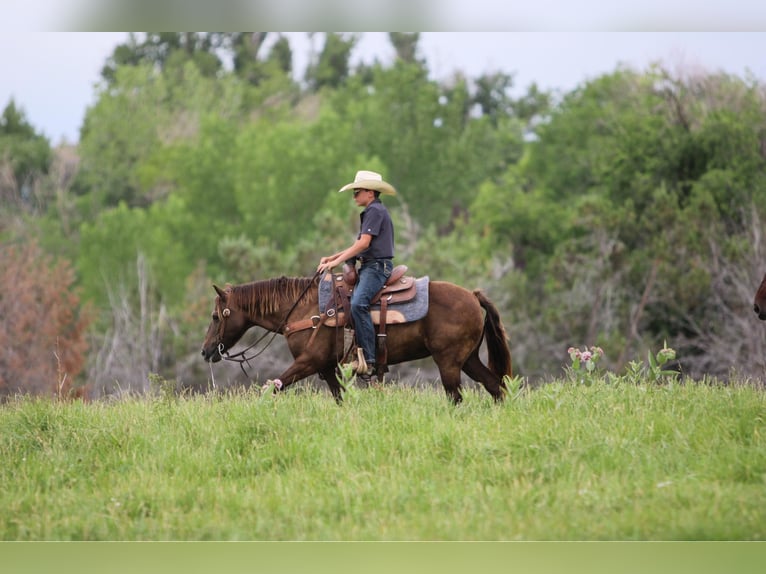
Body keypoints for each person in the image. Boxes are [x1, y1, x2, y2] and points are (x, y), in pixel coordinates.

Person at [317, 170, 397, 381]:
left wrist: (335, 262)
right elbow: (358, 245)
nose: (354, 196)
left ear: (370, 193)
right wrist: (332, 257)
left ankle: (369, 360)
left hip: (377, 267)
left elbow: (363, 244)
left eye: (357, 192)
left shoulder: (375, 211)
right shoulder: (373, 211)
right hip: (370, 265)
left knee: (358, 304)